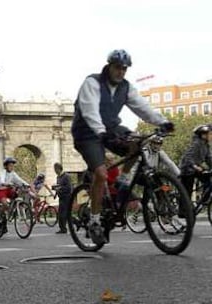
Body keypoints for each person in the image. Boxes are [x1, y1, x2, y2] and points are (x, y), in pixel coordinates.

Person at [71, 49, 173, 245]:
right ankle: (93, 222)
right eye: (118, 67)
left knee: (137, 143)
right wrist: (101, 132)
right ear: (109, 66)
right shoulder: (92, 83)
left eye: (124, 69)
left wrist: (162, 122)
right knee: (100, 173)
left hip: (111, 127)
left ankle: (123, 182)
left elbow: (142, 107)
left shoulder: (126, 88)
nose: (121, 72)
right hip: (87, 133)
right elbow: (89, 109)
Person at [180, 125, 212, 200]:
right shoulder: (196, 143)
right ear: (203, 135)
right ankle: (184, 211)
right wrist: (195, 166)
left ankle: (203, 201)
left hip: (196, 168)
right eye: (210, 134)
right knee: (187, 194)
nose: (211, 136)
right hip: (187, 169)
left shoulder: (206, 145)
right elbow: (188, 157)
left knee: (208, 180)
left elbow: (209, 158)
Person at [52, 163, 73, 234]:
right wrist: (55, 193)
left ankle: (64, 228)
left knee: (64, 214)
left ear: (59, 168)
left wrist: (60, 188)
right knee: (61, 213)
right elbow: (58, 186)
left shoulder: (66, 176)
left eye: (55, 169)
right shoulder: (58, 177)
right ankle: (62, 228)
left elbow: (69, 188)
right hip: (61, 197)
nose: (54, 170)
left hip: (67, 197)